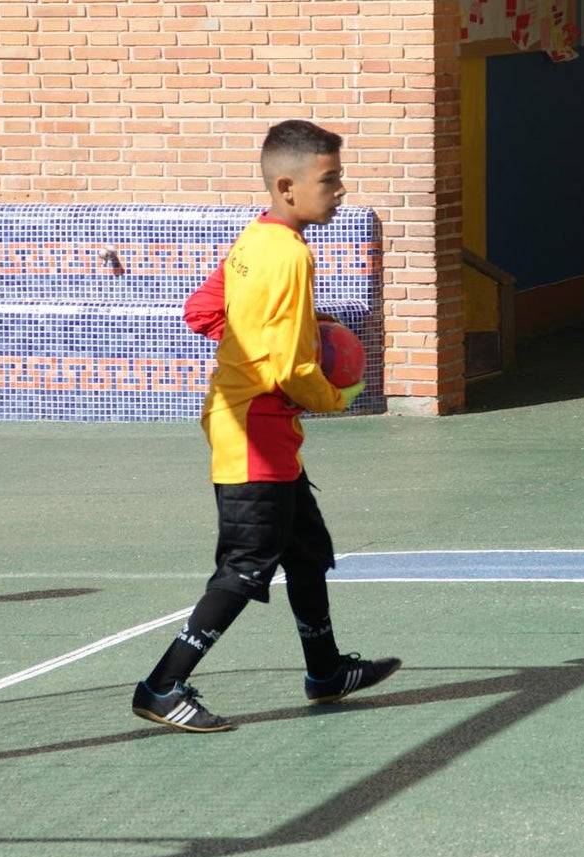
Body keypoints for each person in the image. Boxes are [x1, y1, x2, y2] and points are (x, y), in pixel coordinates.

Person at [131, 120, 401, 733]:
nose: (341, 190)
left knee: (306, 551)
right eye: (329, 180)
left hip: (254, 423)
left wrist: (264, 342)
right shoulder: (290, 256)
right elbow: (290, 367)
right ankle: (161, 686)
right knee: (248, 565)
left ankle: (326, 671)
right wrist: (332, 398)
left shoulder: (254, 239)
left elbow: (202, 311)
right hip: (256, 432)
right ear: (287, 185)